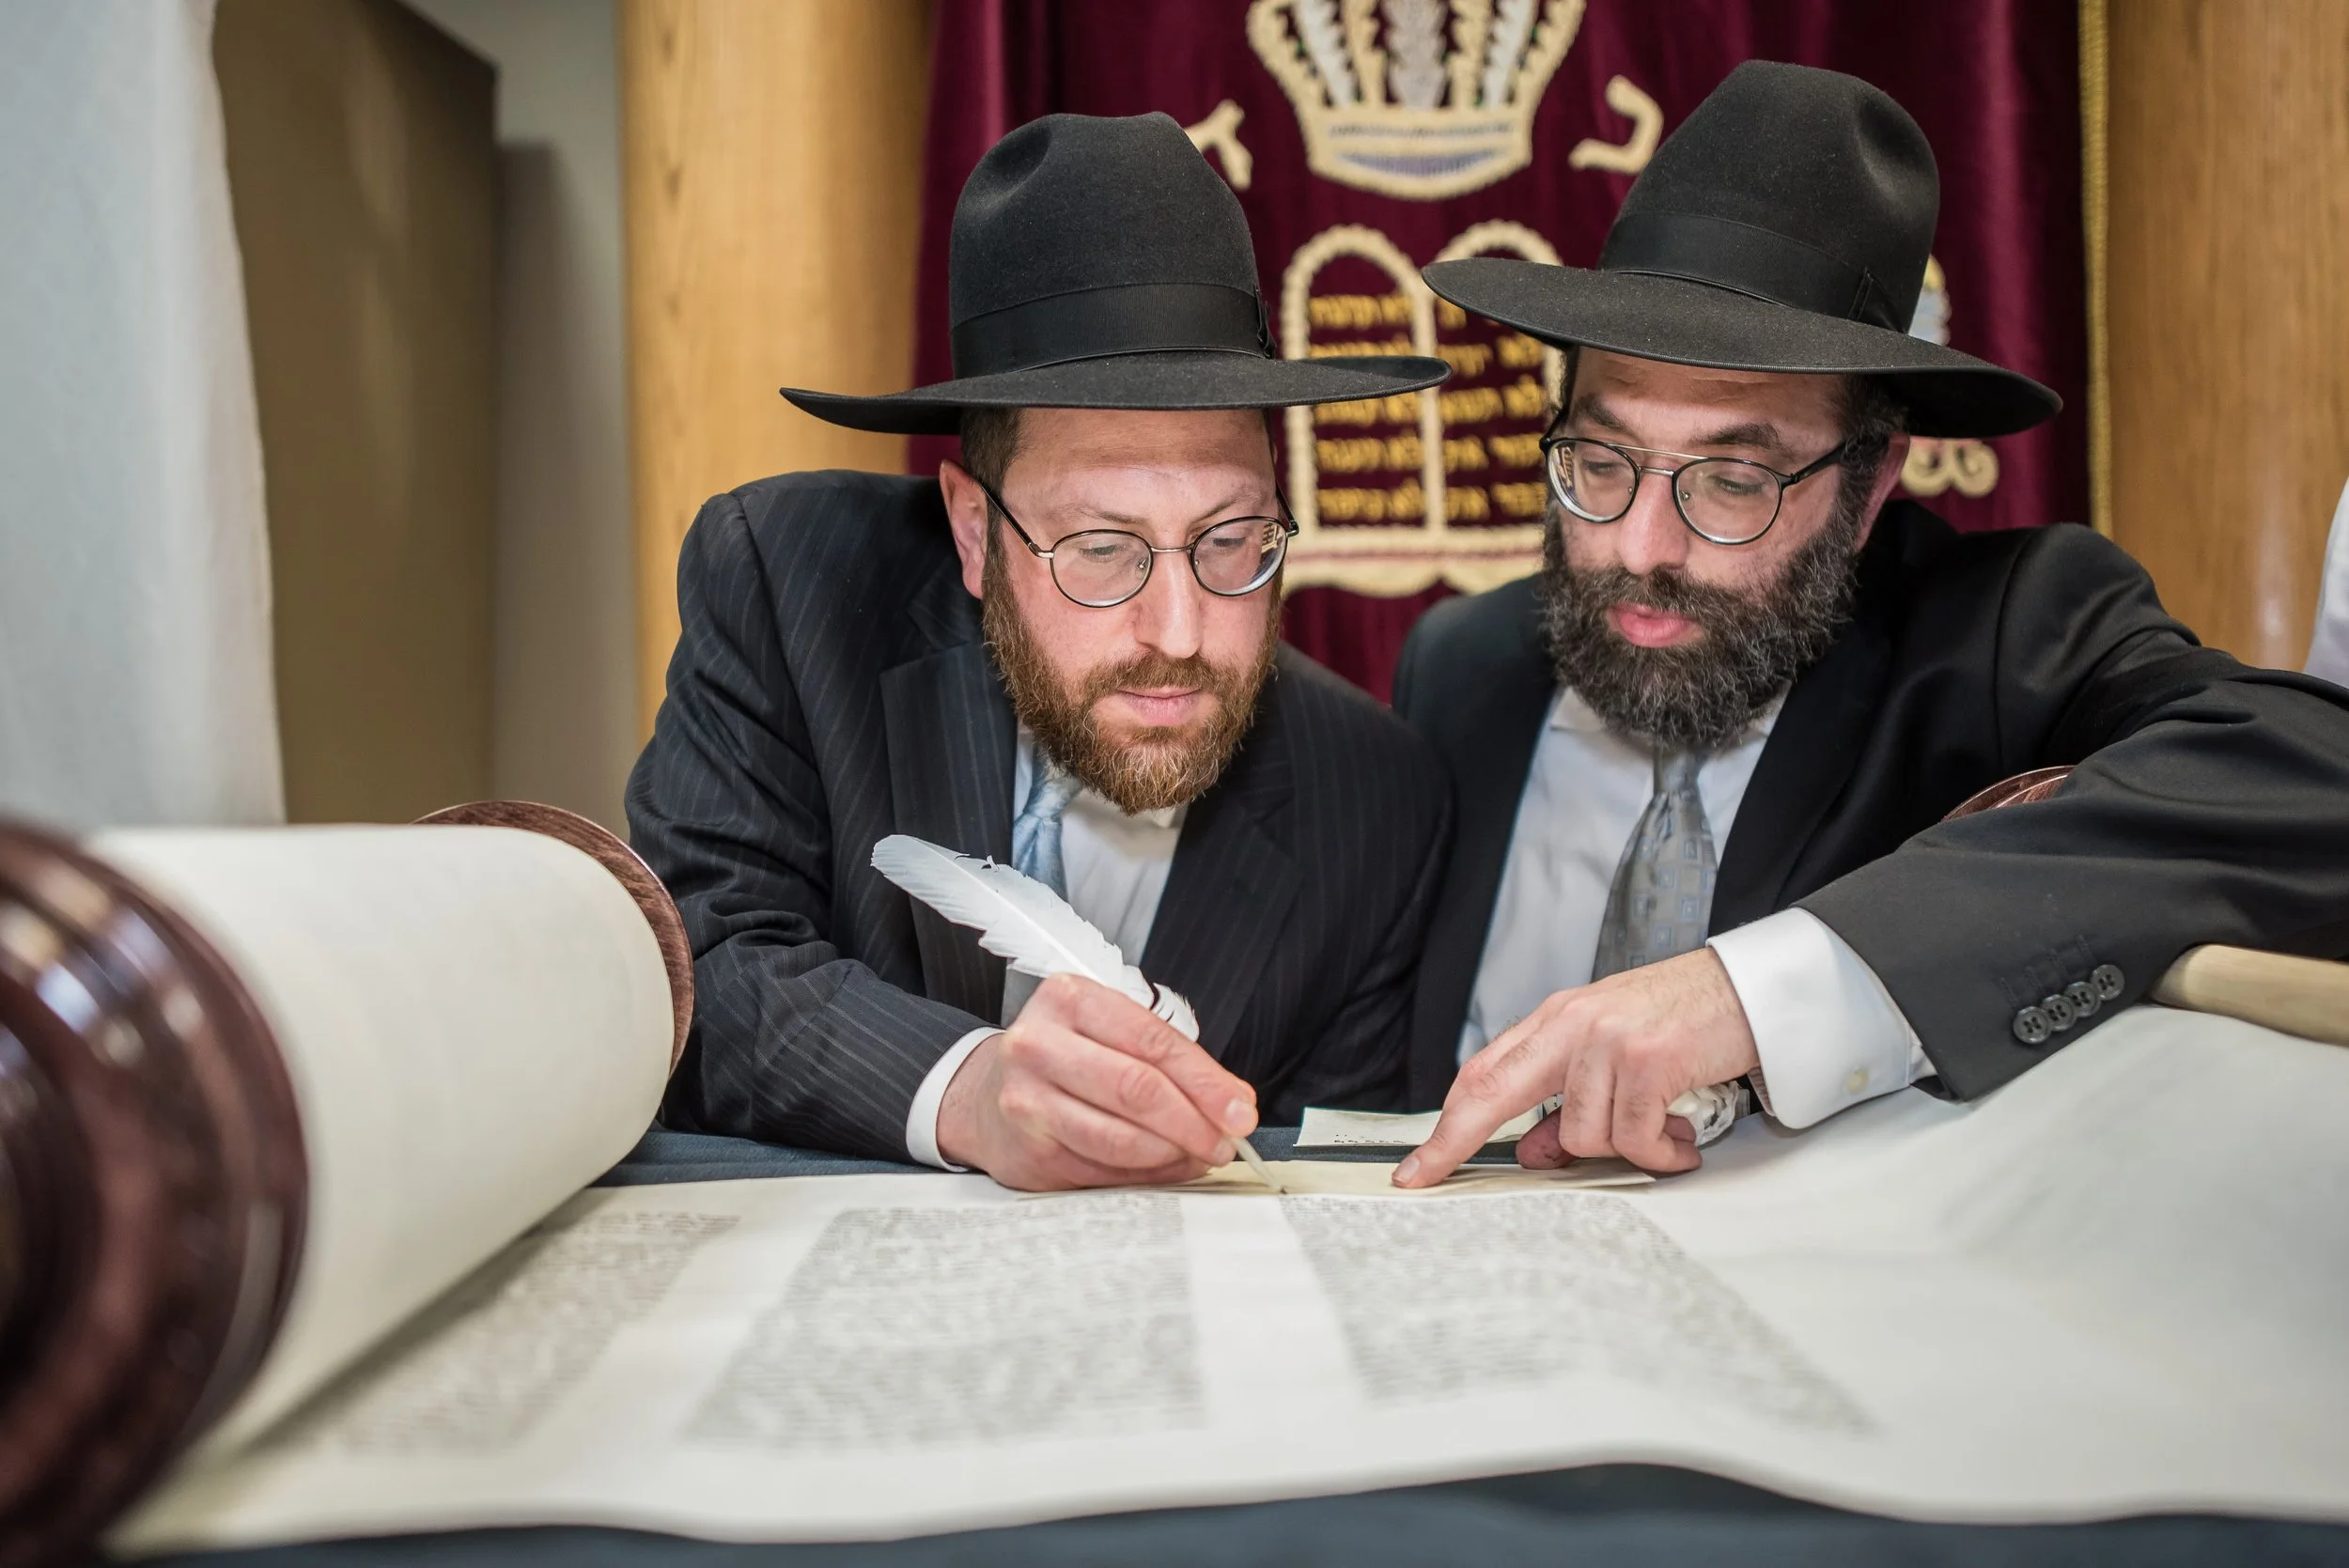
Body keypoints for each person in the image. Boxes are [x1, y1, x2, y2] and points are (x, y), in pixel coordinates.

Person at [1390, 61, 2349, 1188]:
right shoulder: (1462, 668)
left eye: (1733, 482)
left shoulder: (2001, 633)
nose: (1642, 547)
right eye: (1600, 461)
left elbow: (2313, 775)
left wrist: (1757, 990)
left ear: (1870, 483)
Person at [627, 113, 1453, 1191]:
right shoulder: (791, 589)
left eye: (1231, 540)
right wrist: (963, 1087)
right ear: (974, 531)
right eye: (1101, 550)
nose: (1179, 633)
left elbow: (1326, 1194)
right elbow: (699, 964)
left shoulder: (1377, 800)